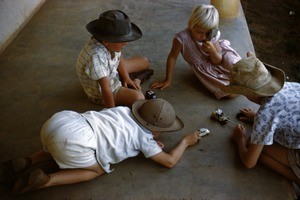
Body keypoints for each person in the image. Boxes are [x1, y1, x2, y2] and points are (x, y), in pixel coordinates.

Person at [0, 98, 202, 195]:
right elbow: (169, 161)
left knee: (61, 143)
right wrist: (186, 141)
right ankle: (45, 180)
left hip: (60, 122)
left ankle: (29, 160)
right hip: (76, 143)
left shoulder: (123, 110)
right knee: (97, 170)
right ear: (154, 130)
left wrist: (150, 141)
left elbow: (125, 130)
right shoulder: (144, 139)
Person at [221, 53, 300, 186]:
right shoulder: (292, 86)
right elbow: (283, 111)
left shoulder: (265, 114)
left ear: (249, 94)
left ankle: (296, 178)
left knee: (252, 146)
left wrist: (239, 139)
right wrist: (257, 118)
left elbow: (249, 163)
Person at [150, 4, 242, 99]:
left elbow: (218, 61)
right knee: (230, 93)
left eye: (208, 33)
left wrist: (212, 51)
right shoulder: (181, 38)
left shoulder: (212, 36)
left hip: (218, 60)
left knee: (238, 68)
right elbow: (172, 58)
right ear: (191, 25)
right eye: (200, 32)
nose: (204, 37)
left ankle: (249, 61)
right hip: (206, 70)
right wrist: (167, 80)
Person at [76, 10, 154, 108]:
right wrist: (113, 112)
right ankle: (137, 81)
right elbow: (106, 89)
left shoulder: (109, 42)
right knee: (139, 98)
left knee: (145, 62)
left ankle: (129, 79)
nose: (125, 44)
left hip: (111, 71)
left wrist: (126, 77)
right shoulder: (96, 57)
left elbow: (119, 57)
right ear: (106, 41)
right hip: (104, 90)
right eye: (122, 41)